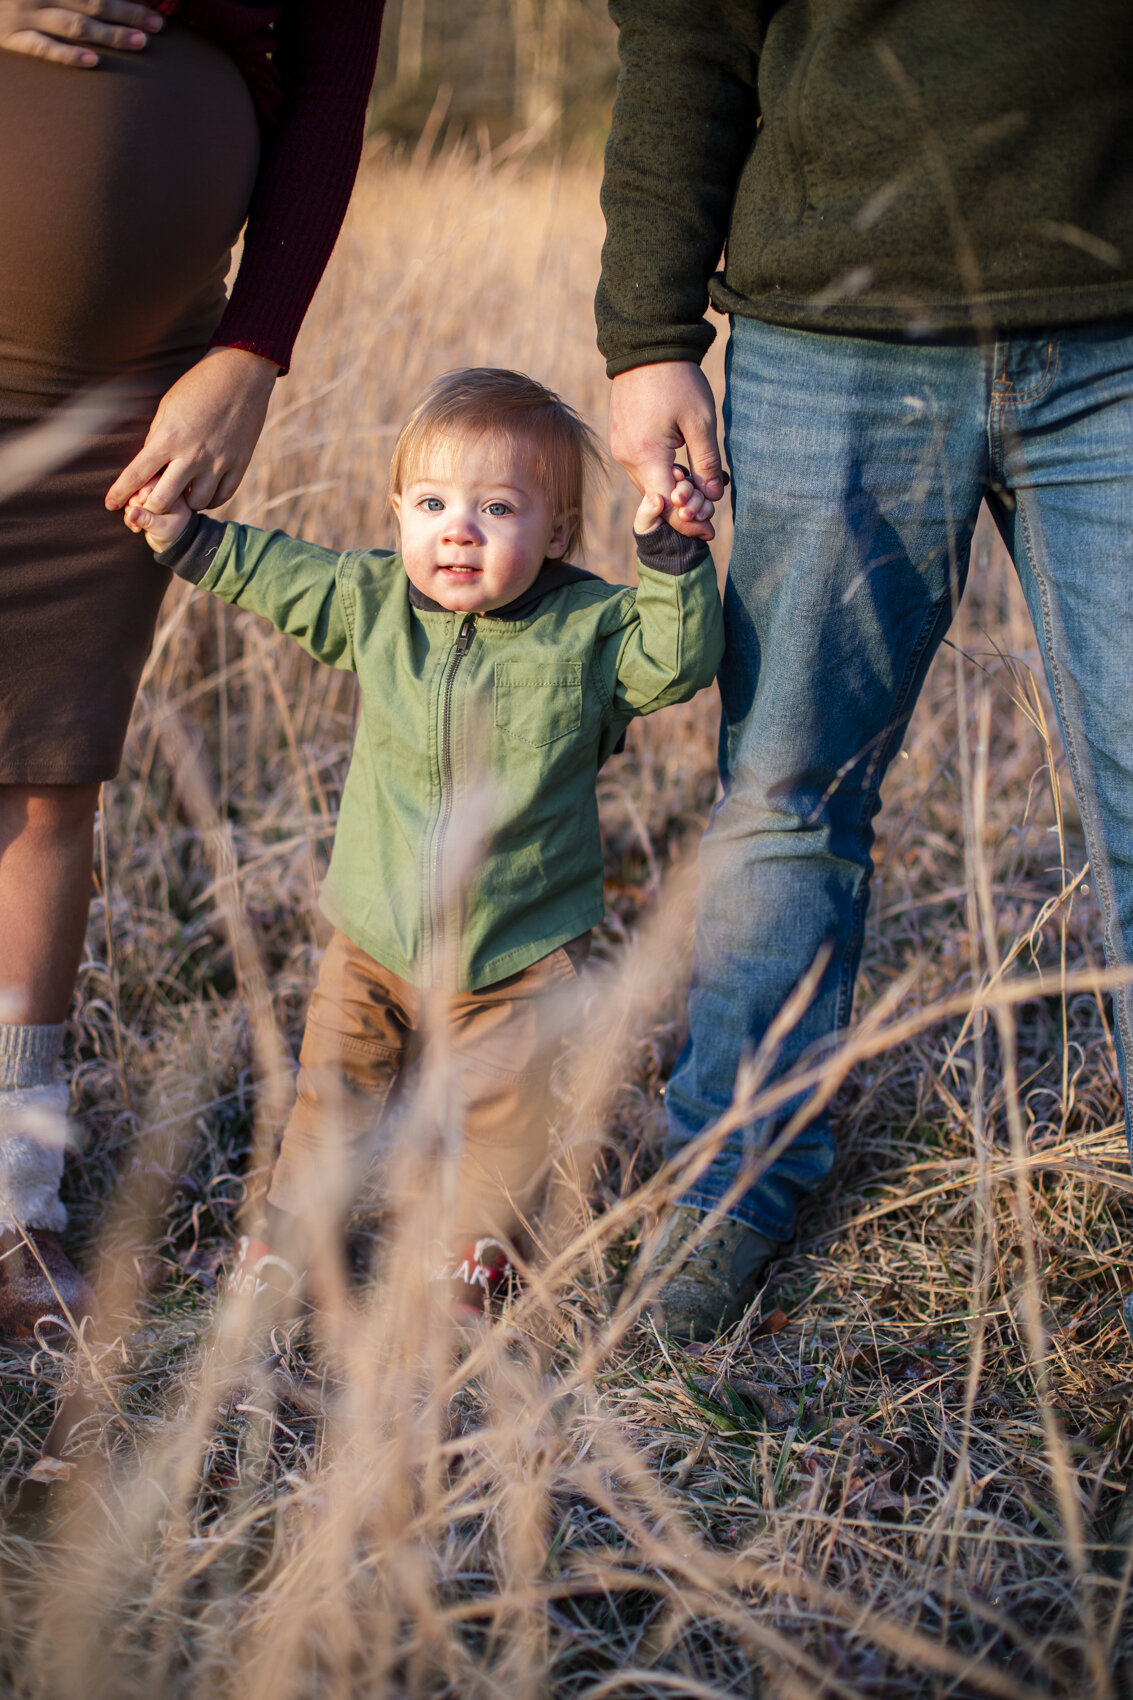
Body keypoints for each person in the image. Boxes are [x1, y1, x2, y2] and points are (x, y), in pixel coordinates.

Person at [596, 1, 1133, 1339]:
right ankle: (735, 1181)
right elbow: (685, 27)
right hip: (830, 328)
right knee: (785, 786)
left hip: (1122, 325)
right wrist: (648, 329)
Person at [124, 367, 725, 1319]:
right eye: (435, 504)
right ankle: (291, 1237)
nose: (460, 529)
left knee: (498, 1111)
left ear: (557, 533)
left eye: (497, 508)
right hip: (375, 932)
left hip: (518, 944)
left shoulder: (590, 629)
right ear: (399, 511)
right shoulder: (373, 604)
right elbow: (280, 575)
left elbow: (677, 663)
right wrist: (190, 539)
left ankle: (471, 1247)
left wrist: (672, 561)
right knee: (332, 1092)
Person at [0, 0, 385, 1339]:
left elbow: (331, 94)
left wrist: (252, 348)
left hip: (126, 384)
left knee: (50, 780)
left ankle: (12, 1204)